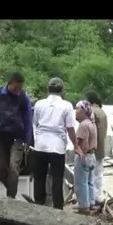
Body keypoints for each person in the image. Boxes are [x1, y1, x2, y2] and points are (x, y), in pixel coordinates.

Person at [32, 78, 79, 209]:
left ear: (48, 89)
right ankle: (58, 208)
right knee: (57, 178)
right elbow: (70, 128)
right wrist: (76, 146)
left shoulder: (39, 104)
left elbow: (35, 124)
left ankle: (39, 205)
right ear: (62, 91)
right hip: (57, 147)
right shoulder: (67, 106)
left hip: (40, 145)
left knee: (39, 177)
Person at [73, 100, 97, 215]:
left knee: (80, 182)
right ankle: (91, 203)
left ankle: (83, 206)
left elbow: (78, 142)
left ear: (83, 111)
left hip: (84, 156)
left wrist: (79, 153)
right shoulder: (91, 124)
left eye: (77, 109)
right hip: (92, 156)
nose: (75, 112)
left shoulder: (83, 125)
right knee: (89, 182)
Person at [85, 91, 108, 205]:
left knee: (90, 175)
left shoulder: (91, 112)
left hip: (92, 148)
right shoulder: (102, 112)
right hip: (101, 148)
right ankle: (99, 196)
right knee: (99, 174)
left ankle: (92, 199)